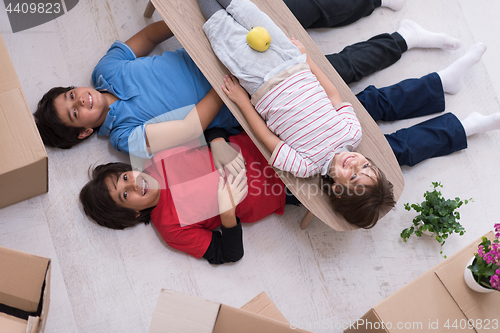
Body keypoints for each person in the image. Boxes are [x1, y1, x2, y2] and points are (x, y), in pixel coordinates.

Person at [198, 0, 497, 227]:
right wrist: (308, 60)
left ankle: (459, 117)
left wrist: (241, 99)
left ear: (339, 189)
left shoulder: (305, 166)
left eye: (354, 175)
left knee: (219, 25)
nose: (358, 164)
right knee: (377, 100)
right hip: (294, 65)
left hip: (261, 81)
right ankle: (440, 80)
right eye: (367, 166)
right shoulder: (353, 134)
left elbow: (265, 135)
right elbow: (333, 94)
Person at [33, 0, 459, 156]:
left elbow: (146, 37)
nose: (81, 100)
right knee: (335, 71)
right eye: (74, 112)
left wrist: (187, 23)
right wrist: (226, 80)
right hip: (241, 95)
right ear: (86, 132)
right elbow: (189, 127)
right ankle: (404, 39)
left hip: (216, 46)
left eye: (72, 95)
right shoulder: (124, 136)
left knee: (296, 12)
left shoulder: (104, 72)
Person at [79, 131, 295, 264]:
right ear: (132, 213)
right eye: (125, 194)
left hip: (265, 137)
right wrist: (227, 212)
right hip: (286, 188)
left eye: (125, 177)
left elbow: (210, 124)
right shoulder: (171, 228)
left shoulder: (160, 156)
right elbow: (229, 254)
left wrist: (217, 140)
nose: (134, 184)